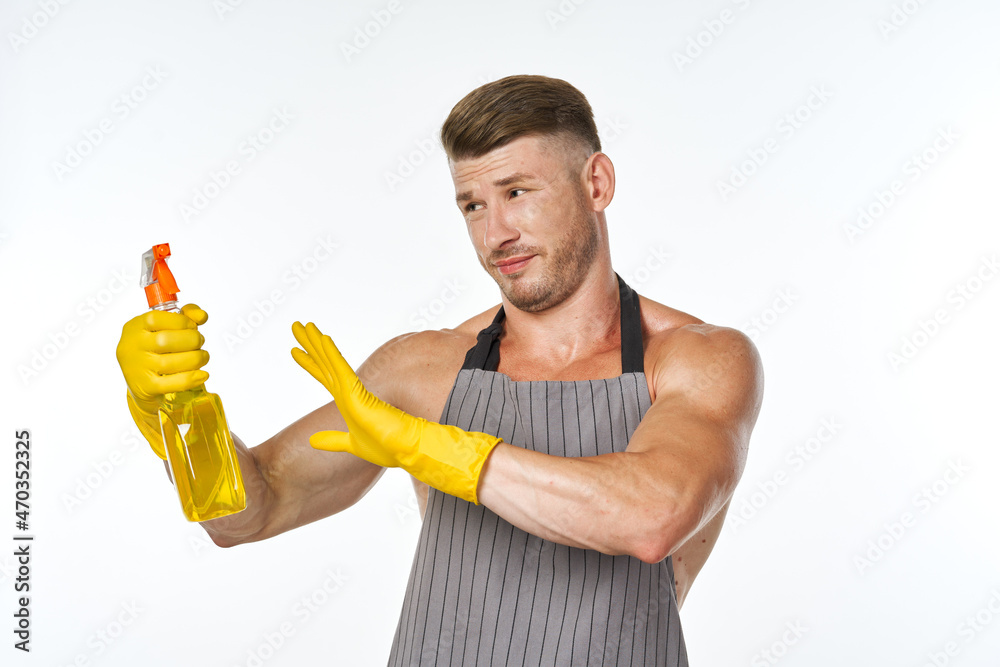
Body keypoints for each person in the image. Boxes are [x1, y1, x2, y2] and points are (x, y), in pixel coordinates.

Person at [116, 74, 763, 666]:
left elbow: (651, 515)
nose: (496, 233)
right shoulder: (424, 368)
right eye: (472, 205)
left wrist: (436, 449)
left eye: (517, 192)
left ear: (596, 183)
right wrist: (171, 411)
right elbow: (250, 512)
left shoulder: (692, 360)